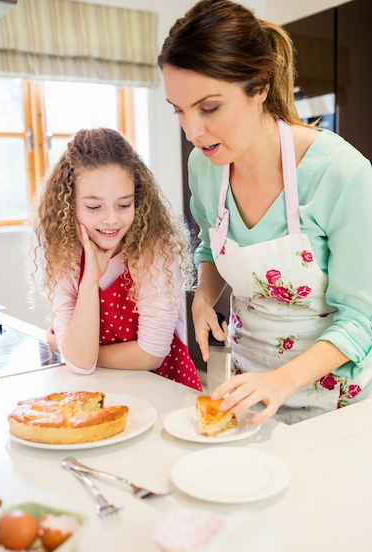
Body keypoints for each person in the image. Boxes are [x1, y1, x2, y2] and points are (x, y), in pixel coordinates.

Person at [158, 0, 372, 423]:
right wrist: (203, 299)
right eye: (179, 110)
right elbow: (210, 244)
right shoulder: (204, 166)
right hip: (245, 390)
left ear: (259, 86)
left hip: (333, 407)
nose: (192, 131)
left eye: (209, 107)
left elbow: (361, 320)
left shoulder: (341, 173)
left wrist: (281, 380)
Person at [32, 127, 202, 391]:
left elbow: (150, 355)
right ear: (69, 204)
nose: (111, 219)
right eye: (93, 206)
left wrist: (71, 348)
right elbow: (80, 365)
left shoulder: (155, 250)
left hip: (165, 391)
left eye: (124, 205)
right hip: (101, 389)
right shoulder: (65, 254)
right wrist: (90, 279)